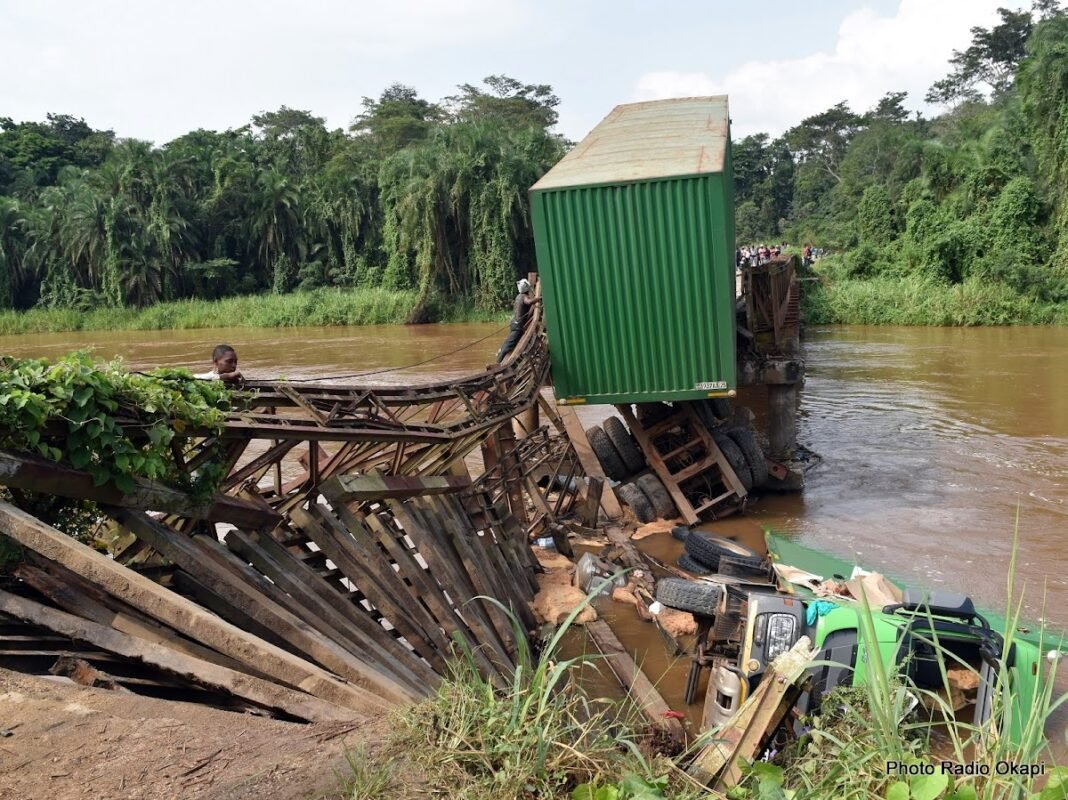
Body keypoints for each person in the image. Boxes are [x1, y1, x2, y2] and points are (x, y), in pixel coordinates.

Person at [496, 278, 541, 363]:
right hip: (518, 326)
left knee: (510, 343)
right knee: (509, 345)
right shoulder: (523, 297)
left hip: (515, 324)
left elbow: (526, 311)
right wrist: (538, 299)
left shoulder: (518, 296)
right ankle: (499, 361)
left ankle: (504, 358)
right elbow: (528, 302)